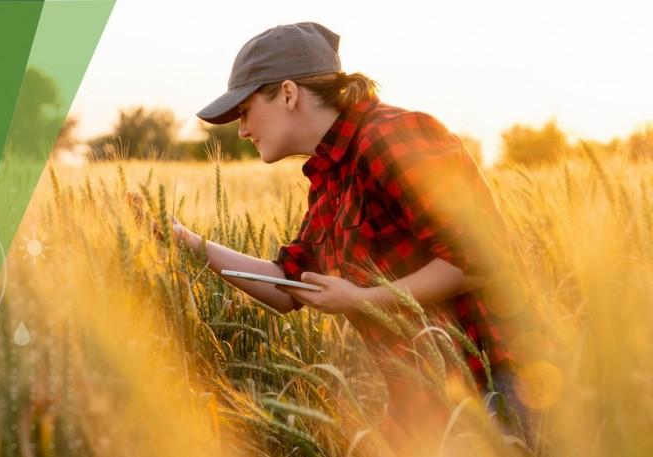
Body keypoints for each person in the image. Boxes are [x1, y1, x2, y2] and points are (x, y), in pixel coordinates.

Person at [173, 22, 529, 453]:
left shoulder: (392, 135)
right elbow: (290, 284)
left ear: (288, 94)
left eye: (245, 111)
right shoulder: (331, 173)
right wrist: (183, 240)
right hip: (428, 403)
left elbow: (478, 260)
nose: (242, 131)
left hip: (494, 391)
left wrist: (361, 300)